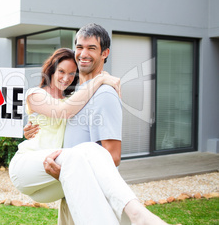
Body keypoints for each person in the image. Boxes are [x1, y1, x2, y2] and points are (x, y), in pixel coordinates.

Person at [11, 23, 168, 225]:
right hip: (46, 171)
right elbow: (60, 114)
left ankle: (137, 216)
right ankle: (137, 214)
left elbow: (113, 156)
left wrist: (71, 171)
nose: (83, 53)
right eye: (80, 47)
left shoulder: (102, 94)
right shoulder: (62, 97)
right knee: (85, 151)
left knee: (88, 151)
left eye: (91, 48)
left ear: (105, 53)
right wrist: (102, 79)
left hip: (71, 180)